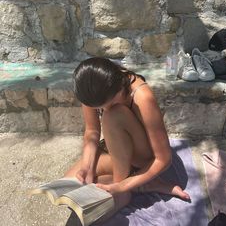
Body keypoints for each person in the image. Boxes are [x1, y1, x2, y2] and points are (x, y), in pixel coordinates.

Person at [65, 57, 190, 215]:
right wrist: (86, 167)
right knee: (71, 184)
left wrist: (122, 186)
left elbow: (163, 159)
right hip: (117, 149)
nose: (102, 109)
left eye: (103, 105)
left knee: (113, 115)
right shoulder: (91, 86)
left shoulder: (142, 96)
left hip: (143, 157)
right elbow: (92, 131)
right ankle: (142, 184)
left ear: (117, 89)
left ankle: (124, 188)